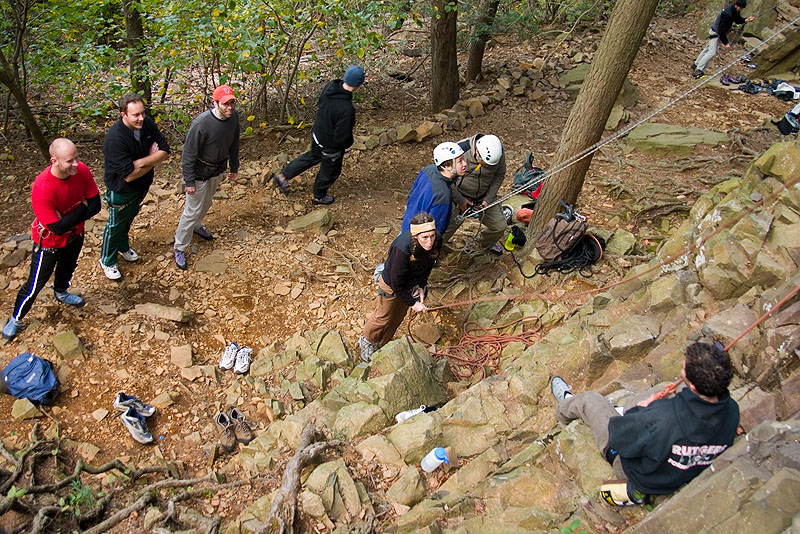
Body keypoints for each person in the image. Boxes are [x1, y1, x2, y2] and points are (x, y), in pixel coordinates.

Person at [550, 342, 739, 504]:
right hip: (678, 471)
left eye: (684, 368)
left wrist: (641, 411)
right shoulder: (732, 410)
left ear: (695, 386)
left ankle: (564, 409)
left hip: (640, 474)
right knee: (650, 395)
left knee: (590, 400)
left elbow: (618, 437)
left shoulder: (660, 418)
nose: (682, 366)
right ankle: (620, 409)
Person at [2, 139, 101, 340]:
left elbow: (96, 205)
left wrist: (70, 218)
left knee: (68, 266)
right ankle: (16, 317)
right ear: (54, 161)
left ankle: (61, 291)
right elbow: (56, 227)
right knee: (35, 283)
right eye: (69, 161)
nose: (76, 164)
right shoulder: (43, 187)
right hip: (49, 242)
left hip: (75, 235)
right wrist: (82, 208)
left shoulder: (81, 170)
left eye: (76, 158)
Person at [99, 93, 170, 280]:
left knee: (128, 218)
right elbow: (128, 176)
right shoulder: (115, 139)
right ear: (123, 115)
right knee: (115, 224)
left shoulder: (147, 124)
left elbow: (164, 150)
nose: (140, 118)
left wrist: (141, 163)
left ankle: (123, 247)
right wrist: (153, 160)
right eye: (135, 115)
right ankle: (107, 260)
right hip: (121, 190)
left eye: (142, 113)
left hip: (142, 185)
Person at [272, 65, 364, 205]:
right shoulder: (346, 109)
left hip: (318, 134)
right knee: (330, 172)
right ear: (358, 84)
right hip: (330, 146)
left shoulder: (330, 88)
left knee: (311, 157)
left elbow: (321, 105)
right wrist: (347, 144)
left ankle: (283, 176)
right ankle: (319, 196)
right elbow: (342, 137)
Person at [173, 85, 240, 270]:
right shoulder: (201, 124)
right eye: (226, 104)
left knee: (207, 203)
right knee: (192, 210)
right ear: (215, 103)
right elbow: (188, 154)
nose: (230, 107)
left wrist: (234, 166)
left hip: (217, 169)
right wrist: (189, 181)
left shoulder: (233, 117)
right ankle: (179, 246)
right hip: (199, 172)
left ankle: (196, 226)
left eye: (232, 103)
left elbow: (234, 142)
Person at [359, 213, 442, 362]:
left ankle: (382, 342)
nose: (430, 241)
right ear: (416, 236)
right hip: (391, 283)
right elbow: (396, 283)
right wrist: (413, 303)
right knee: (383, 316)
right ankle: (367, 341)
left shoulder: (437, 240)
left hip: (411, 283)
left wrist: (422, 286)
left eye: (432, 236)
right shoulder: (402, 248)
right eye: (425, 237)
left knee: (398, 316)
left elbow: (428, 266)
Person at [444, 133, 507, 256]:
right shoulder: (460, 150)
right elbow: (447, 178)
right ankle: (433, 251)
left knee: (499, 226)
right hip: (458, 195)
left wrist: (487, 201)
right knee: (446, 225)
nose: (487, 167)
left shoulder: (498, 153)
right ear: (477, 153)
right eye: (485, 163)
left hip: (483, 196)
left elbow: (499, 175)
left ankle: (485, 243)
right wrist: (460, 200)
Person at [400, 142, 467, 237]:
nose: (465, 164)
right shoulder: (443, 195)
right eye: (460, 161)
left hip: (407, 224)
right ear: (448, 166)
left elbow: (411, 193)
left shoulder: (428, 170)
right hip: (417, 238)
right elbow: (436, 229)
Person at [692, 0, 754, 79]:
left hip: (716, 32)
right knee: (712, 52)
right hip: (716, 33)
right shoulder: (727, 14)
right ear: (738, 6)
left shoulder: (734, 9)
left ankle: (696, 64)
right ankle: (698, 70)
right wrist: (726, 43)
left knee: (707, 49)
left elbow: (737, 20)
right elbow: (721, 31)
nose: (741, 10)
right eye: (741, 8)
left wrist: (746, 20)